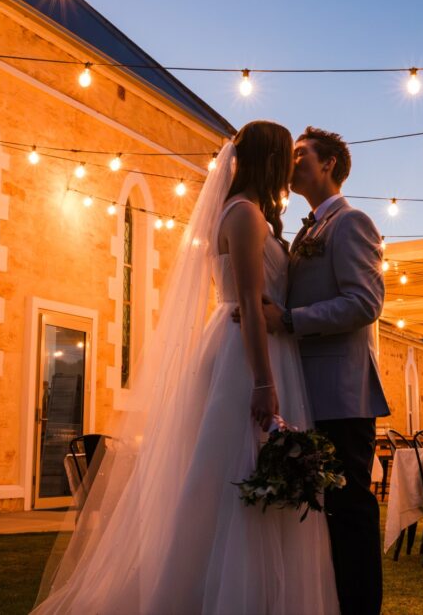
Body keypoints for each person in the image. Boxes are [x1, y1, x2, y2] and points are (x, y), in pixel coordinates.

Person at [32, 121, 338, 614]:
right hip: (245, 358)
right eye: (287, 156)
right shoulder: (243, 216)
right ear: (270, 159)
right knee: (230, 477)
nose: (291, 168)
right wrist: (263, 382)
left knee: (252, 473)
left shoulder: (256, 215)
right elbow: (249, 304)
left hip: (265, 350)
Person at [256, 126, 390, 615]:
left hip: (341, 395)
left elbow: (363, 303)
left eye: (301, 154)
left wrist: (290, 320)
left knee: (350, 510)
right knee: (318, 512)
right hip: (306, 391)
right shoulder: (304, 231)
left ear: (329, 163)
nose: (292, 163)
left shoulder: (351, 223)